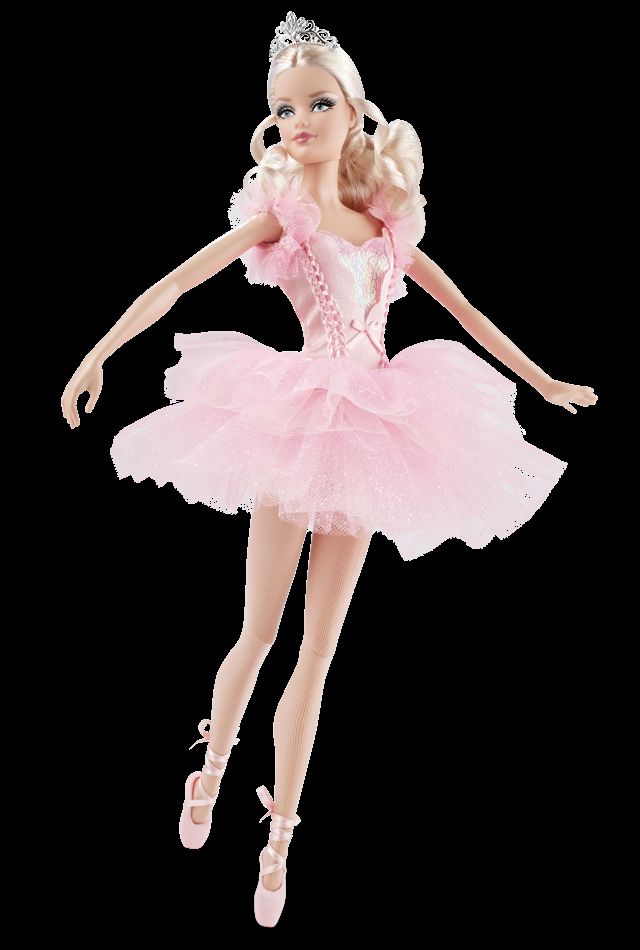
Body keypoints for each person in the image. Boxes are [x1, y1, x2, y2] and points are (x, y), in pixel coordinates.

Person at [60, 10, 598, 927]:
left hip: (377, 424)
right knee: (259, 630)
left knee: (319, 650)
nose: (300, 121)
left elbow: (465, 311)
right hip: (302, 414)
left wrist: (541, 380)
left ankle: (278, 838)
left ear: (354, 111)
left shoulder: (388, 227)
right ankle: (212, 766)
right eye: (284, 108)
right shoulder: (287, 217)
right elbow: (180, 279)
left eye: (318, 103)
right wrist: (99, 350)